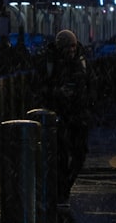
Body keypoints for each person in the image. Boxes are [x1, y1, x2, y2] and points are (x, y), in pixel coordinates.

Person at [31, 29, 94, 202]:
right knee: (61, 156)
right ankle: (61, 193)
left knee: (79, 155)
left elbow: (92, 83)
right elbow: (38, 88)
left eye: (74, 46)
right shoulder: (49, 62)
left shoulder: (82, 61)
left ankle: (63, 189)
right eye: (68, 47)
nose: (72, 51)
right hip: (59, 115)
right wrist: (57, 93)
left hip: (78, 114)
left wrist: (86, 103)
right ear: (60, 47)